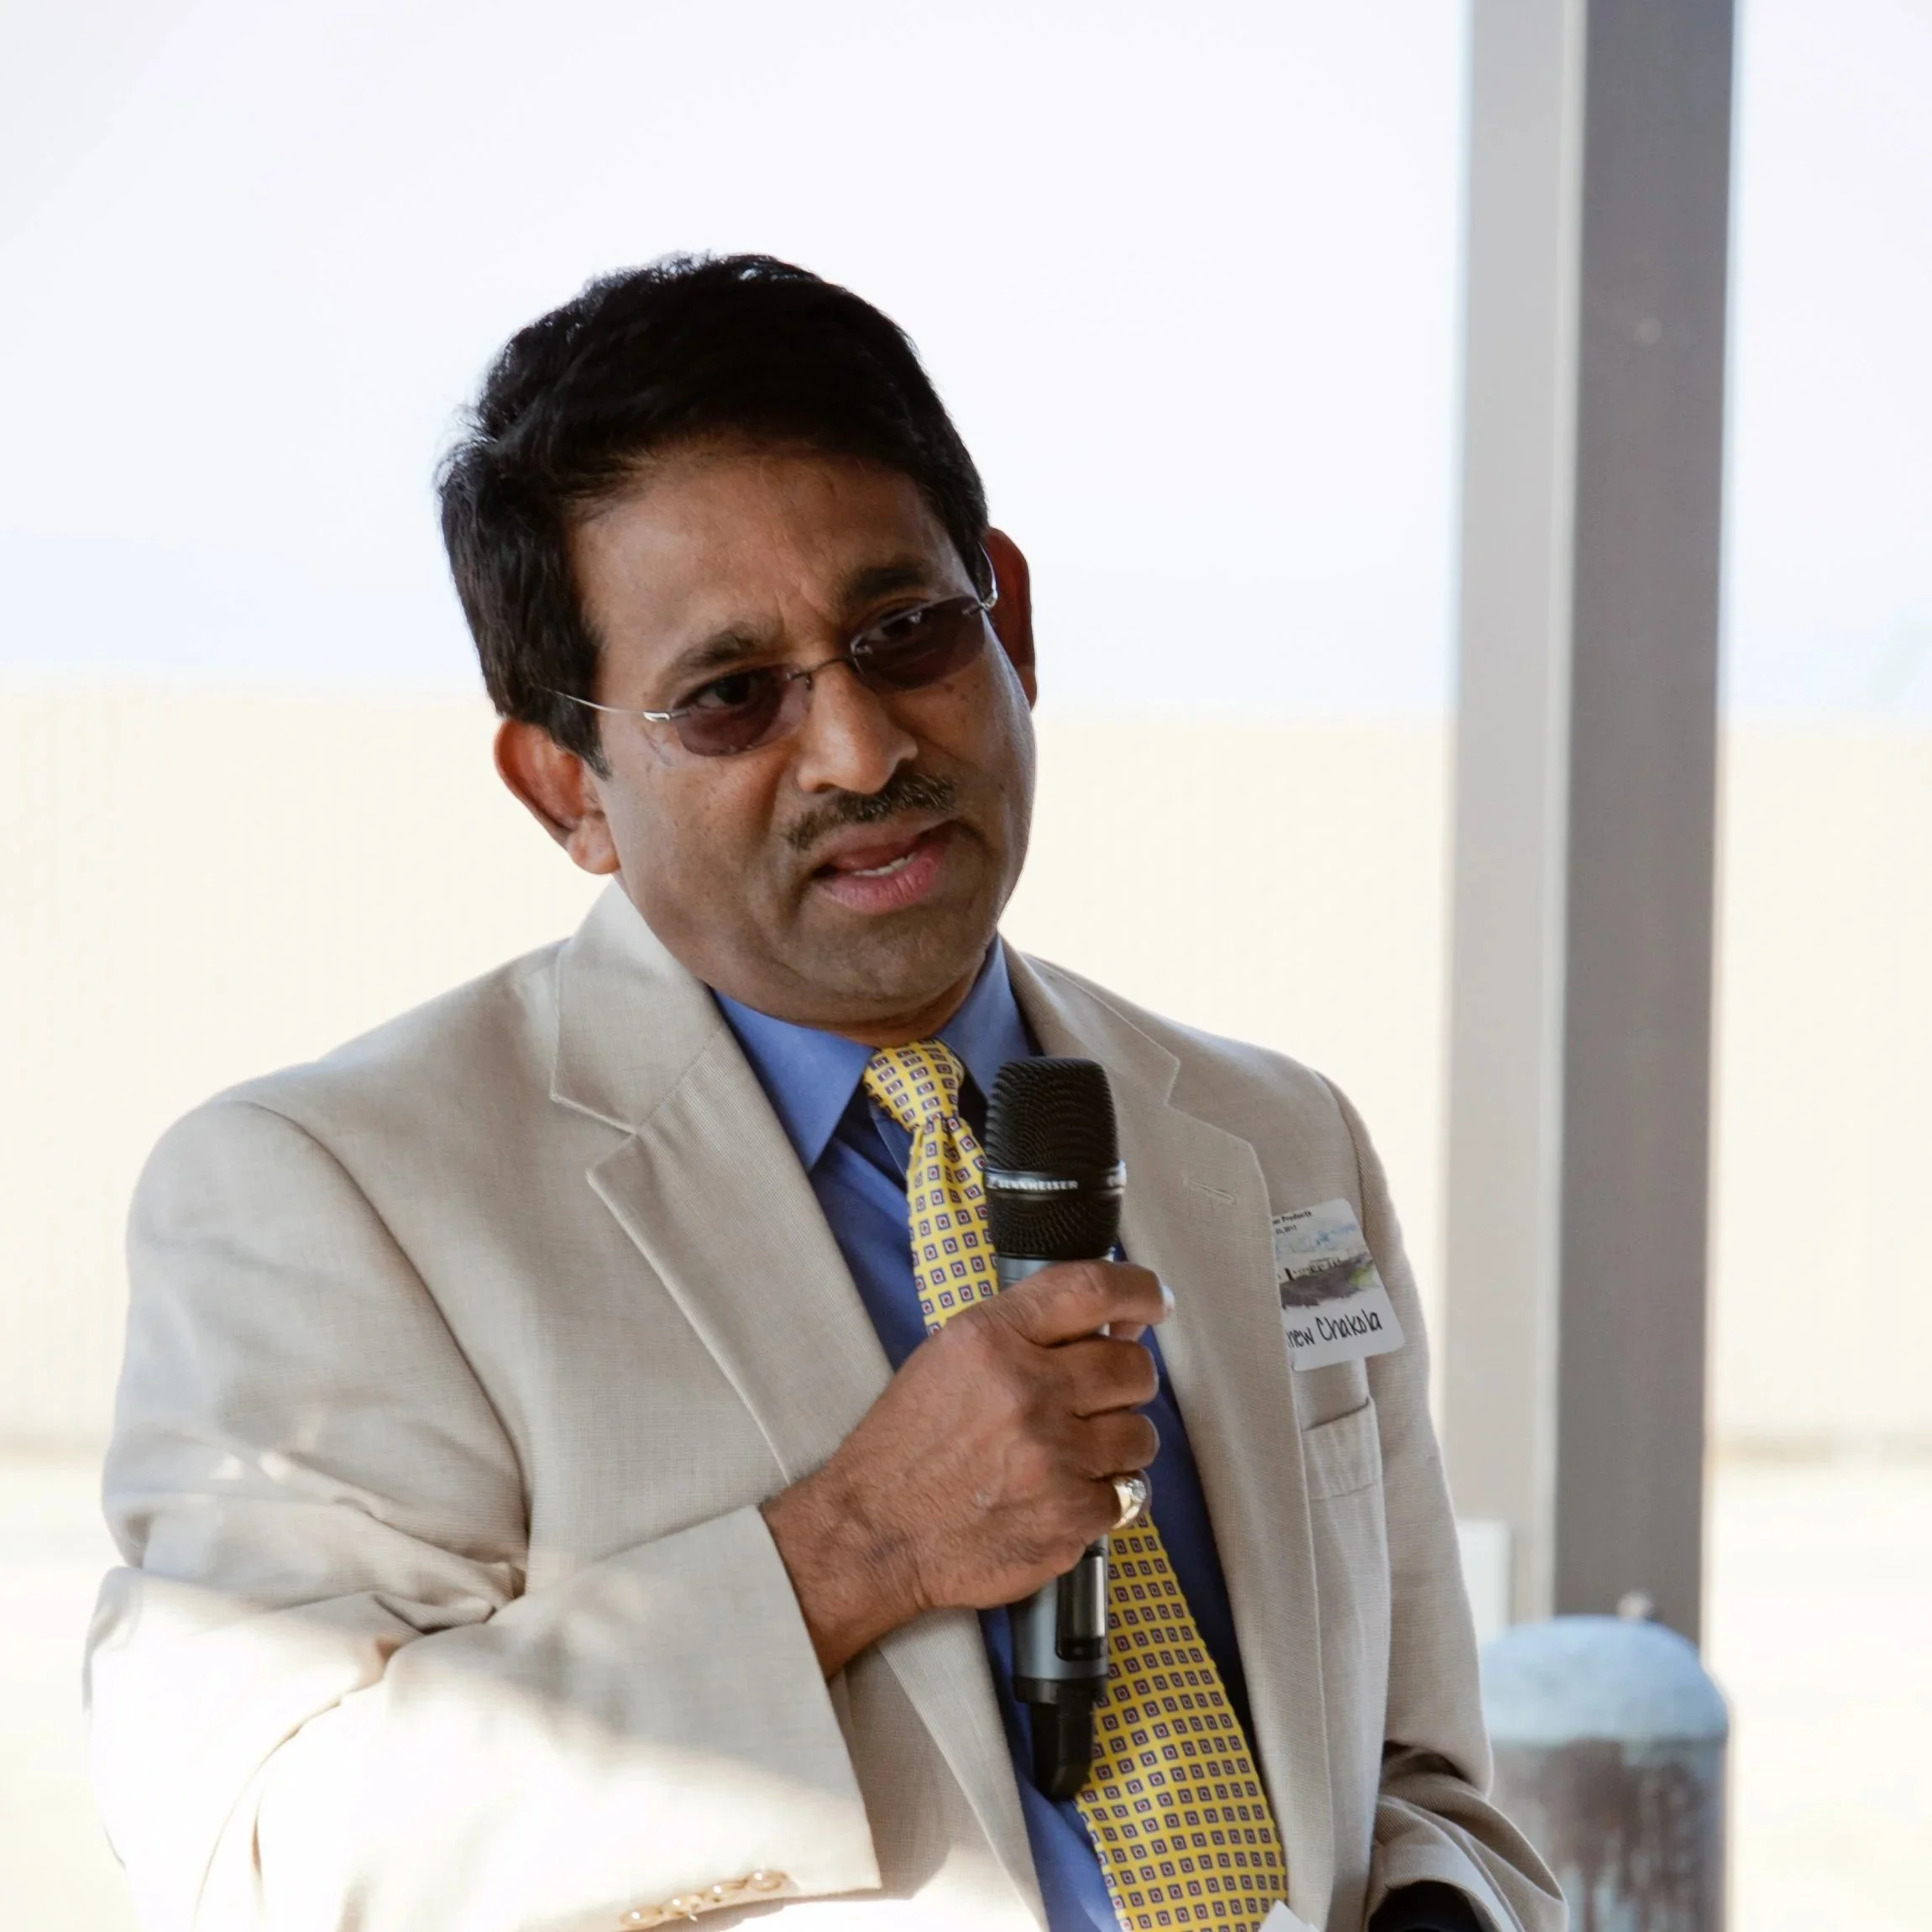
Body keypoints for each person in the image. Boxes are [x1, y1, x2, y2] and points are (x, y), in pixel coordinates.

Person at [86, 255, 1563, 1932]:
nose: (863, 746)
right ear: (566, 784)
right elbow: (258, 1854)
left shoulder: (1279, 1138)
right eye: (732, 695)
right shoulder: (330, 1193)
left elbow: (1418, 1780)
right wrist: (854, 1547)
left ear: (1006, 614)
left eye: (905, 632)